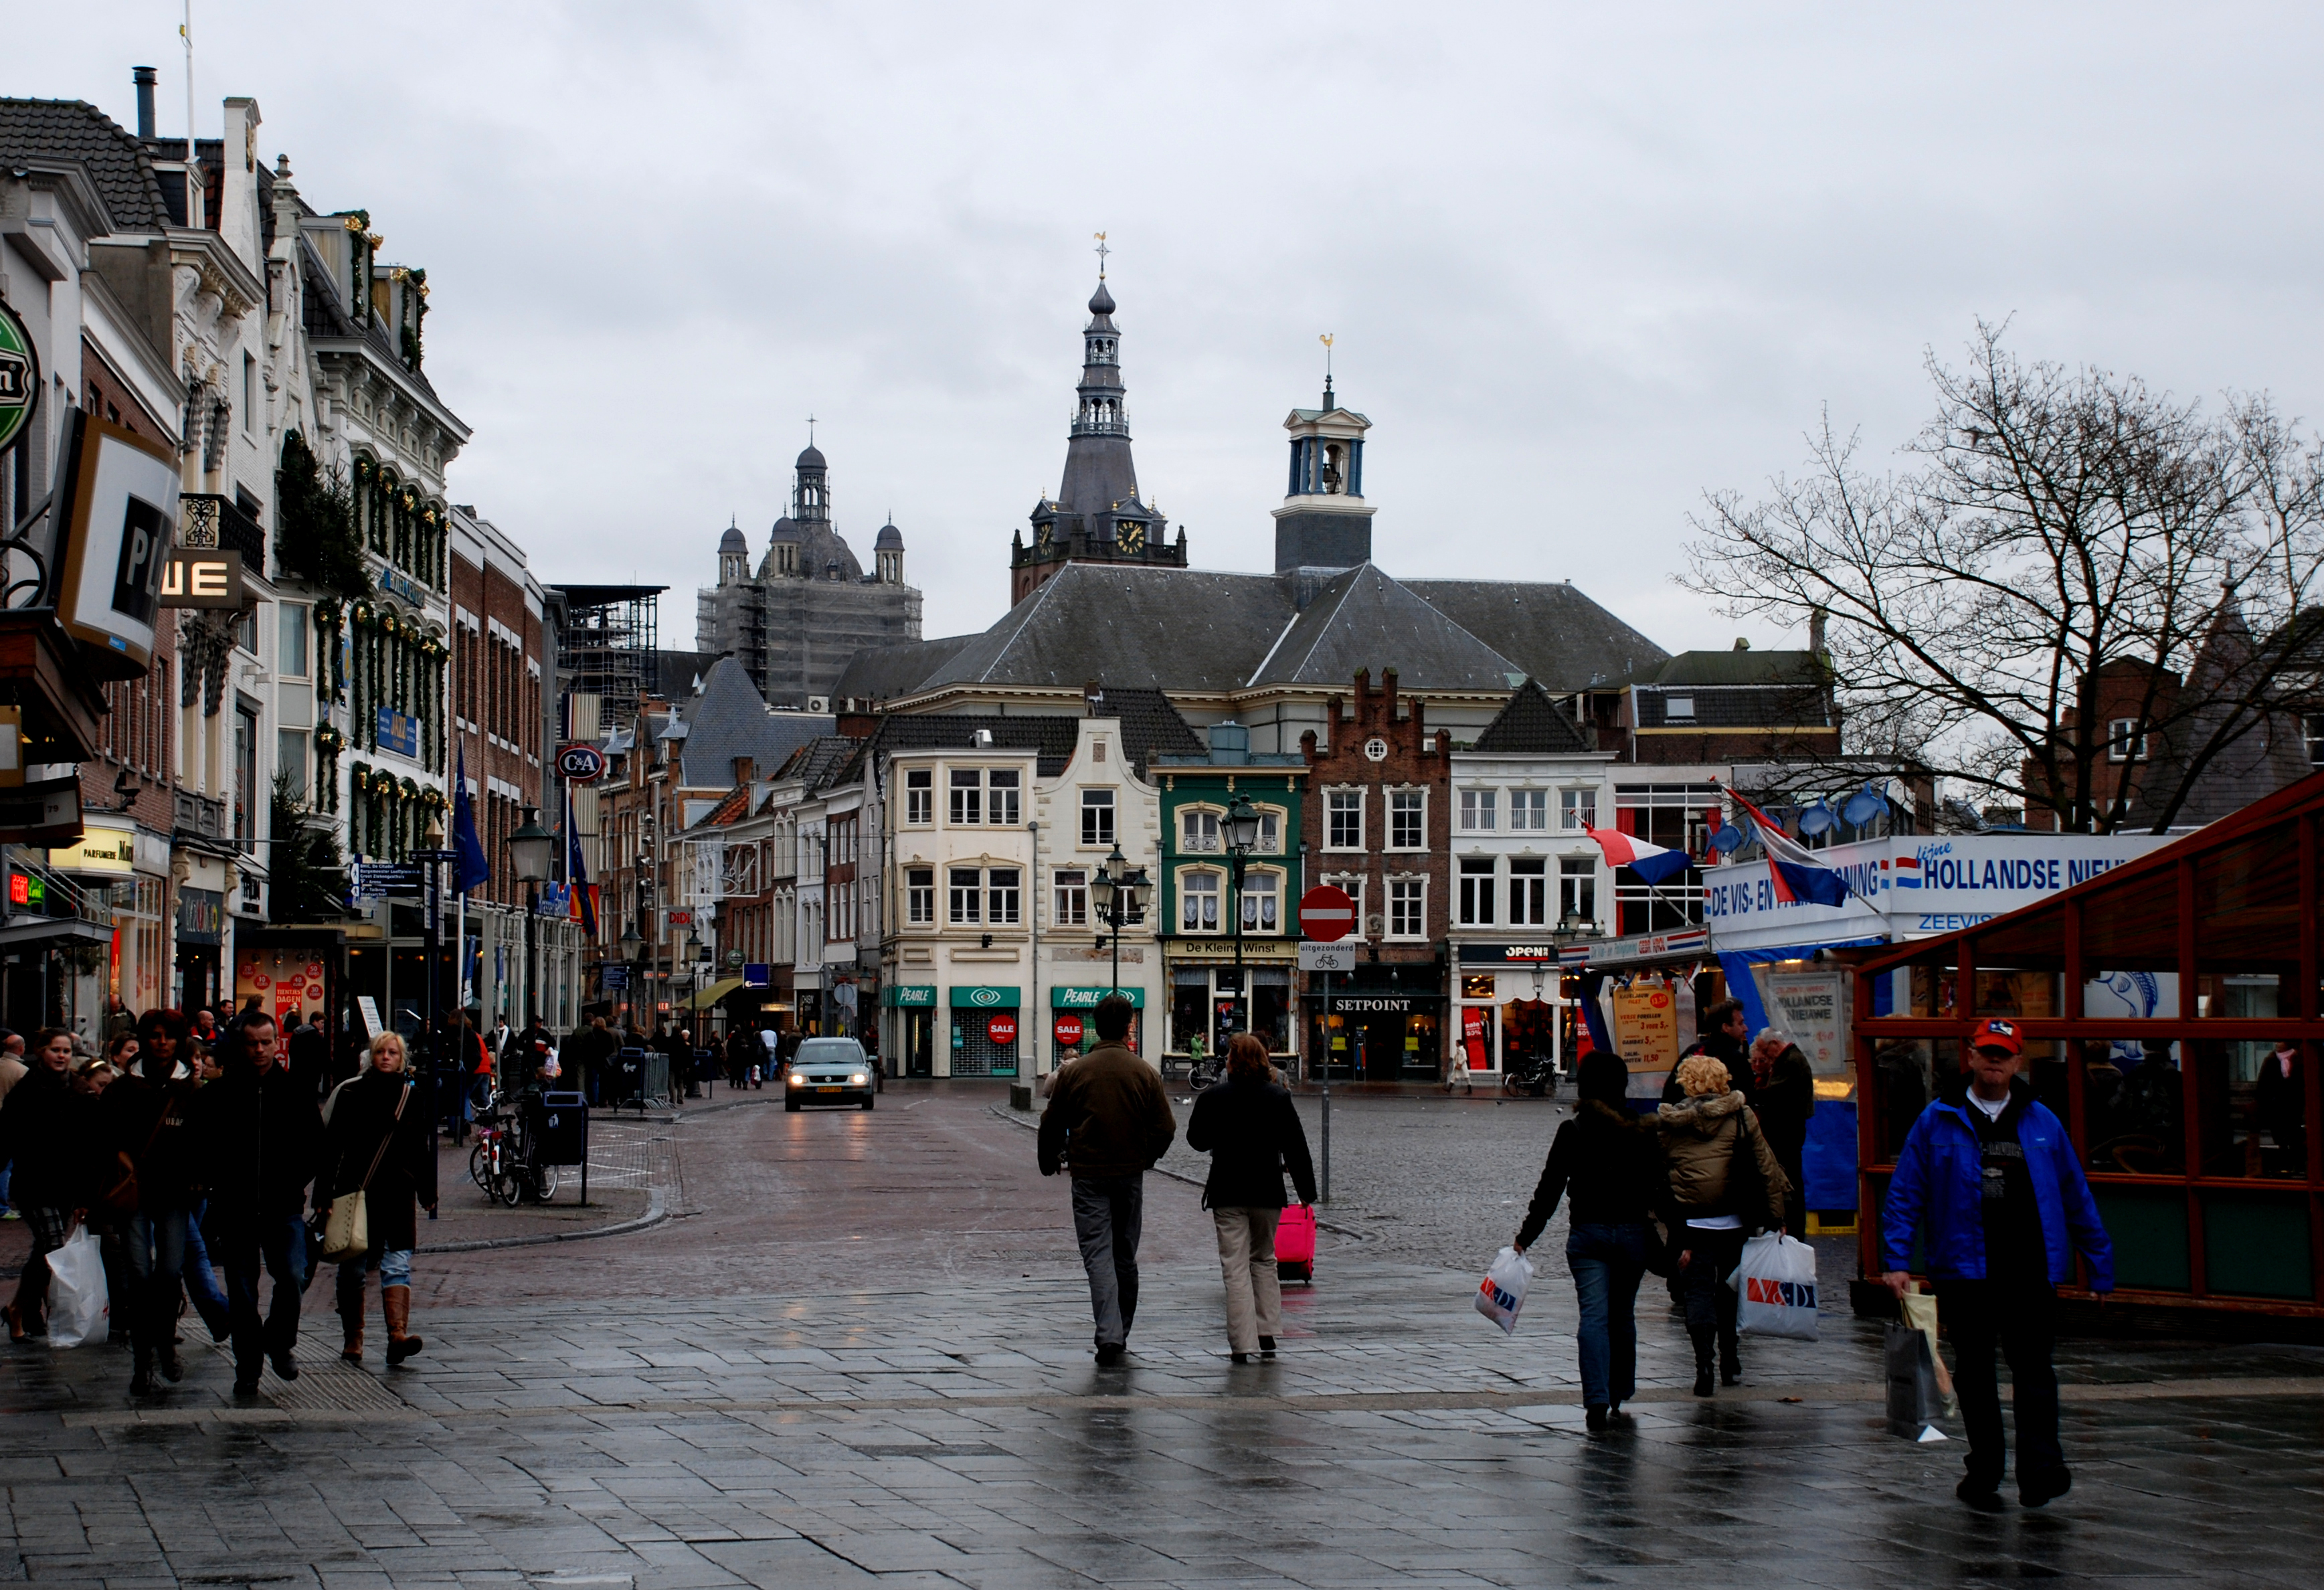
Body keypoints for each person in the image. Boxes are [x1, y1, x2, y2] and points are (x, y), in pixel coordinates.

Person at [1882, 1017, 2114, 1512]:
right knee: (1974, 1373)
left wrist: (2098, 1261)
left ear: (2017, 1061)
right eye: (1985, 1051)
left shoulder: (2041, 1121)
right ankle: (1985, 1466)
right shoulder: (1936, 1118)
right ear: (1969, 1056)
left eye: (2003, 1054)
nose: (1993, 1061)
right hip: (1964, 1272)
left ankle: (2040, 1471)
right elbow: (1905, 1193)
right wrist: (1896, 1260)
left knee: (2034, 1370)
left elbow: (2074, 1193)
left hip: (2029, 1270)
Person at [1516, 1052, 1680, 1431]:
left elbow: (1550, 1190)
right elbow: (1661, 1190)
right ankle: (1619, 1390)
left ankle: (1595, 1400)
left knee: (1593, 1316)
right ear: (1622, 1085)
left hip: (1589, 1234)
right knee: (1622, 1314)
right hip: (1633, 1234)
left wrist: (1526, 1237)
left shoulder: (1574, 1131)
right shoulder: (1642, 1131)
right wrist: (1681, 1239)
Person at [1036, 994, 1176, 1366]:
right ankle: (1120, 1331)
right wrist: (1145, 1158)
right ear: (1129, 1026)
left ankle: (1109, 1334)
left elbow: (1051, 1120)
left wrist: (1049, 1158)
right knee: (1124, 1255)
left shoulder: (1077, 1072)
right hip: (1129, 1175)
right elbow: (1166, 1127)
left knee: (1098, 1254)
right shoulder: (1144, 1072)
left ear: (1096, 1027)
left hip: (1089, 1175)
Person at [190, 1012, 323, 1395]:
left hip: (283, 1206)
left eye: (266, 1042)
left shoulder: (294, 1090)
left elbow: (316, 1145)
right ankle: (247, 1366)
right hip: (236, 1206)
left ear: (276, 1044)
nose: (260, 1050)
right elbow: (201, 1143)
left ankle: (278, 1342)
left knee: (294, 1276)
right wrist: (215, 1179)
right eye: (252, 1043)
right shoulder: (220, 1094)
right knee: (243, 1290)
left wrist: (298, 1181)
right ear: (242, 1045)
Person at [1657, 1052, 1787, 1396]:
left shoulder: (1672, 1122)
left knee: (1697, 1292)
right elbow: (1765, 1168)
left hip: (1691, 1224)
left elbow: (1661, 1172)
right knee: (1729, 1290)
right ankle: (1730, 1358)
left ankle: (1703, 1364)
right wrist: (1776, 1217)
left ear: (1687, 1082)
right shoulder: (1742, 1116)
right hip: (1735, 1219)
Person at [1185, 1032, 1317, 1364]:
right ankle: (1267, 1331)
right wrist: (1306, 1193)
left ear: (1232, 1062)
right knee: (1264, 1259)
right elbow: (1296, 1148)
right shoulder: (1277, 1097)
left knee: (1235, 1266)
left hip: (1228, 1190)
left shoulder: (1214, 1097)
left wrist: (1223, 1132)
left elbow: (1197, 1140)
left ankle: (1242, 1344)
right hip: (1266, 1190)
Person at [321, 1031, 438, 1366]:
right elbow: (332, 1149)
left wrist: (427, 1191)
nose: (386, 1057)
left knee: (397, 1263)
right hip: (357, 1191)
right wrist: (324, 1195)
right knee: (353, 1268)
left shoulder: (410, 1097)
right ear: (370, 1057)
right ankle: (353, 1337)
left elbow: (420, 1148)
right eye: (380, 1052)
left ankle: (397, 1335)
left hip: (398, 1193)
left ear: (402, 1059)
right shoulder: (351, 1093)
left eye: (393, 1053)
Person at [99, 1019, 200, 1394]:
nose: (161, 1043)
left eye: (169, 1037)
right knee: (139, 1275)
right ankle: (142, 1362)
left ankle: (166, 1344)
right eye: (154, 1036)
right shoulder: (122, 1090)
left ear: (179, 1042)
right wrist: (125, 1163)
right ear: (144, 1041)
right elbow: (106, 1139)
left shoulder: (191, 1090)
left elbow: (201, 1140)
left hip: (174, 1193)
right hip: (136, 1193)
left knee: (170, 1271)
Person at [1, 1031, 89, 1341]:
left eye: (66, 1050)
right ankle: (58, 1313)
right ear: (40, 1051)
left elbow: (87, 1144)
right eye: (55, 1050)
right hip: (34, 1183)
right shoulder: (25, 1092)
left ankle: (17, 1308)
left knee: (44, 1250)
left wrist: (85, 1191)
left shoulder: (79, 1090)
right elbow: (6, 1136)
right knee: (54, 1245)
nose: (62, 1056)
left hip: (65, 1184)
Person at [1747, 1027, 1815, 1235]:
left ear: (1774, 1045)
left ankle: (1793, 1230)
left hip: (1787, 1132)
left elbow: (1773, 1093)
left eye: (1765, 1052)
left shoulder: (1790, 1062)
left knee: (1789, 1181)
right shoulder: (1791, 1059)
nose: (1765, 1058)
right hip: (1789, 1130)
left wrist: (1747, 1095)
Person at [1663, 997, 1752, 1106]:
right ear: (1726, 1027)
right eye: (1741, 1023)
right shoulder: (1737, 1060)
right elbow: (1747, 1101)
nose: (1746, 1028)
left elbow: (1669, 1096)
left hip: (1686, 1120)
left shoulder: (1691, 1052)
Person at [2254, 1039, 2305, 1173]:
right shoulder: (2271, 1061)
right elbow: (2262, 1085)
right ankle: (2285, 1165)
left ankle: (2296, 1165)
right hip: (2275, 1107)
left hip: (2294, 1107)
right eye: (2276, 1042)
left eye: (2280, 1041)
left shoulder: (2299, 1060)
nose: (2277, 1044)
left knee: (2294, 1136)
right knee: (2280, 1137)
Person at [567, 1014, 619, 1107]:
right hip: (603, 1060)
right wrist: (604, 1054)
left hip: (592, 1060)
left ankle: (593, 1100)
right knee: (603, 1082)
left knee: (592, 1080)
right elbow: (611, 1048)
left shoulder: (590, 1034)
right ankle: (602, 1100)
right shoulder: (607, 1035)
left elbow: (585, 1047)